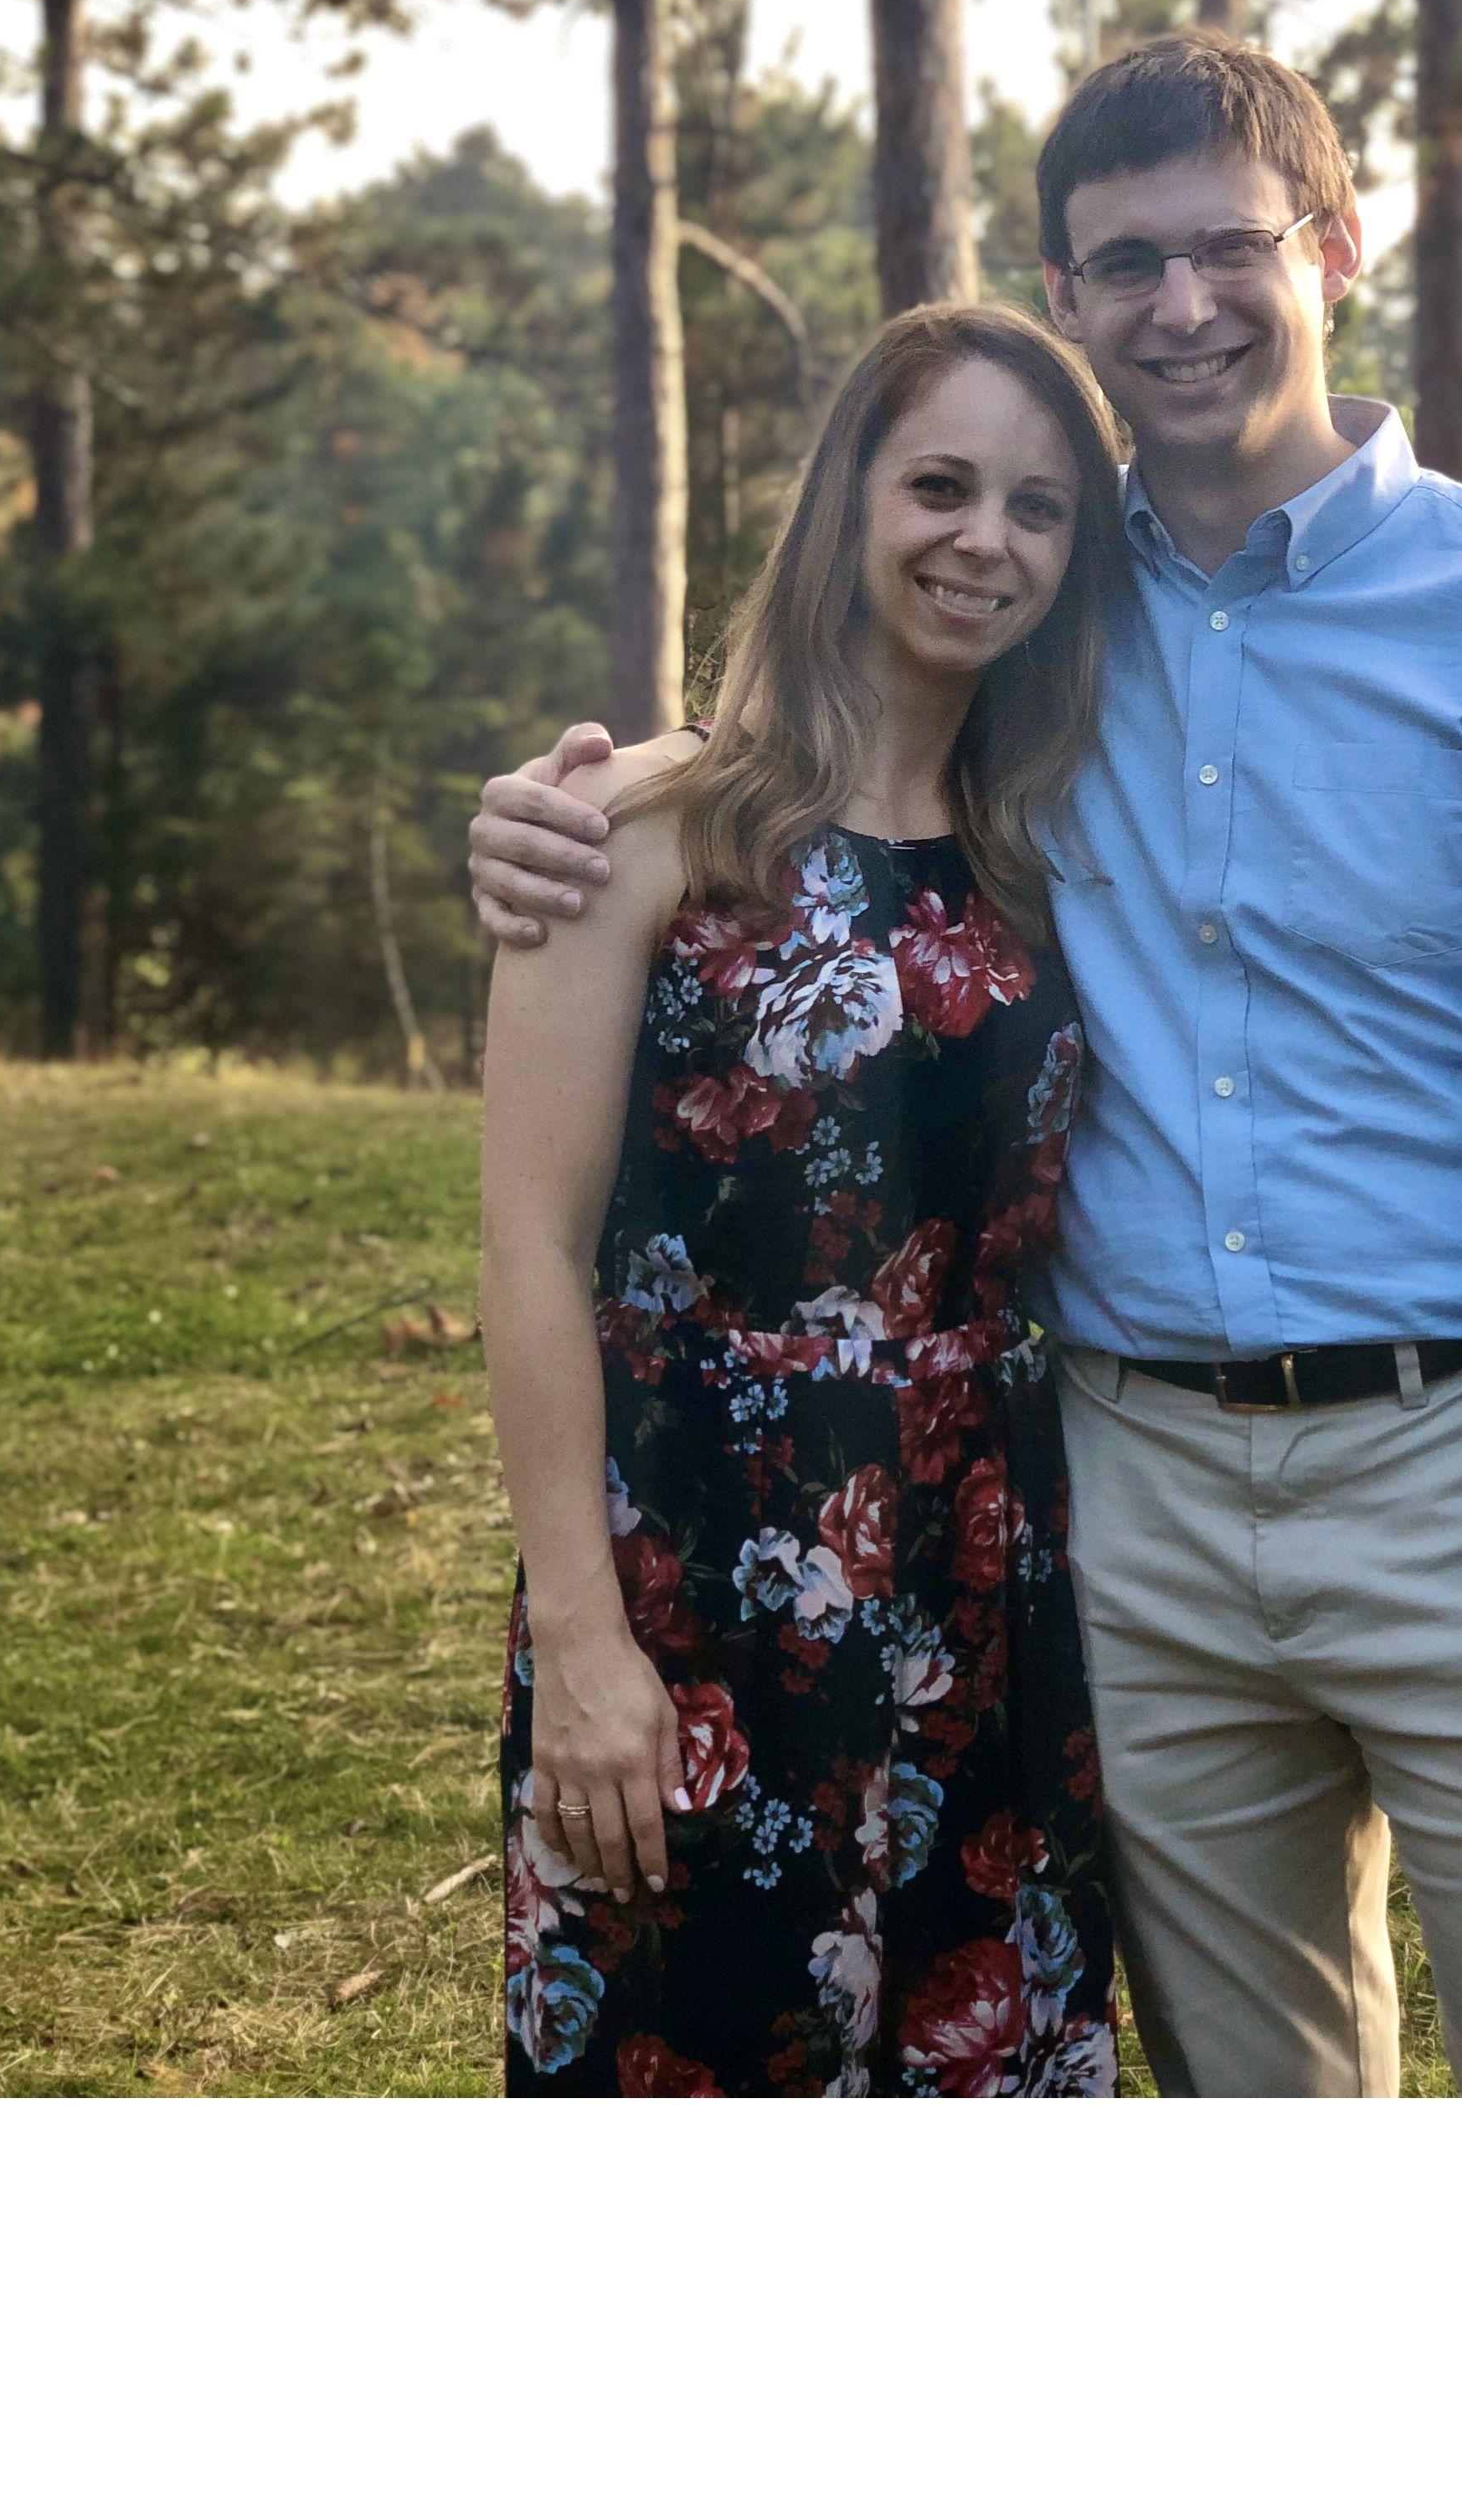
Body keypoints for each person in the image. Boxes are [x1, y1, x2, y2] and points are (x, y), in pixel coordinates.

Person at [476, 33, 1462, 2097]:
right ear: (1066, 294)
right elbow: (809, 763)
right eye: (1126, 264)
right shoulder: (1042, 610)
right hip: (1123, 1513)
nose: (1184, 305)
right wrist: (549, 819)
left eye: (1233, 247)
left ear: (1338, 246)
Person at [479, 298, 1127, 2096]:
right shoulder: (642, 830)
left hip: (994, 1577)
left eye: (1040, 507)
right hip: (701, 1572)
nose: (984, 540)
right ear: (850, 496)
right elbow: (530, 1251)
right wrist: (583, 1640)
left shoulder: (1051, 845)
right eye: (940, 485)